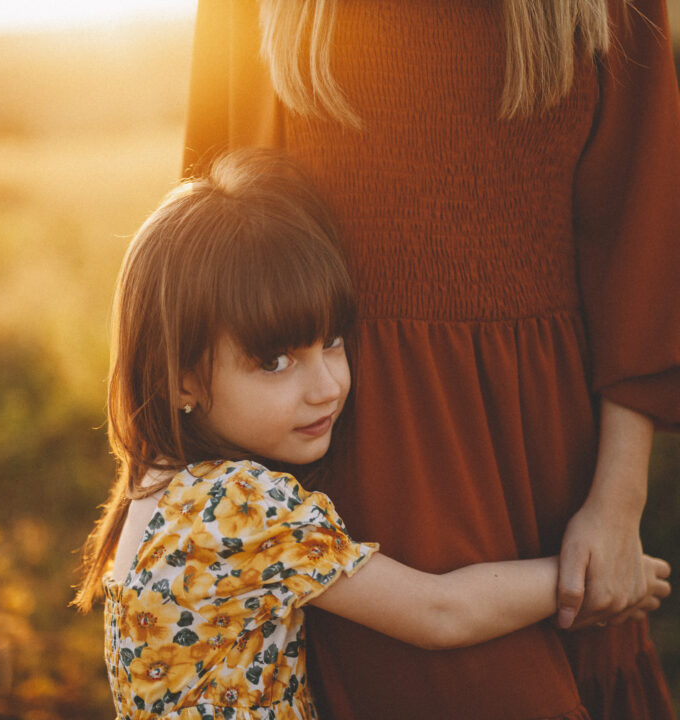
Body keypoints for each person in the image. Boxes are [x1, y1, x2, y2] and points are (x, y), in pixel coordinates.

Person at [182, 2, 680, 718]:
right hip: (344, 473)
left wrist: (618, 501)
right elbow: (209, 252)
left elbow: (645, 239)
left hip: (548, 471)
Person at [72, 150, 669, 720]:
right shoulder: (238, 504)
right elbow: (440, 613)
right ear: (182, 382)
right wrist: (591, 578)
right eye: (274, 362)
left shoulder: (151, 489)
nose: (327, 385)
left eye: (331, 341)